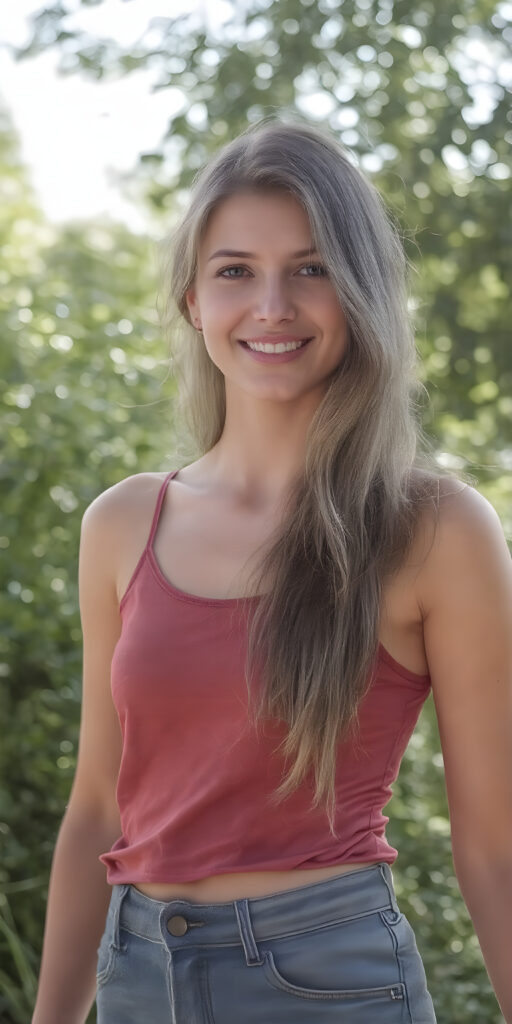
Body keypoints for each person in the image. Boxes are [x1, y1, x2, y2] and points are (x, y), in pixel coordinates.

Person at [32, 116, 512, 1024]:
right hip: (138, 975)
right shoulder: (123, 522)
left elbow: (495, 845)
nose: (272, 306)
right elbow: (98, 809)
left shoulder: (434, 529)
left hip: (330, 982)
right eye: (235, 272)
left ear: (362, 293)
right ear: (192, 302)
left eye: (312, 268)